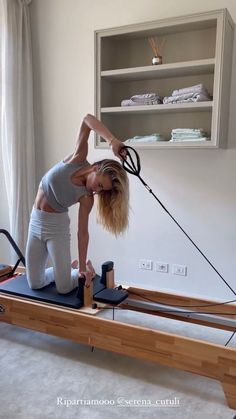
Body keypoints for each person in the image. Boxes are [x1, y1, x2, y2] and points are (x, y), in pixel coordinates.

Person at [25, 114, 129, 294]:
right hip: (35, 222)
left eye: (102, 191)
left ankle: (77, 271)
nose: (97, 191)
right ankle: (64, 271)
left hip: (56, 229)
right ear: (97, 168)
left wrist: (81, 268)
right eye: (100, 185)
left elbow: (83, 233)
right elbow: (87, 119)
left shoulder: (86, 197)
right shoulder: (78, 158)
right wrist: (112, 140)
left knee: (64, 288)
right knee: (35, 283)